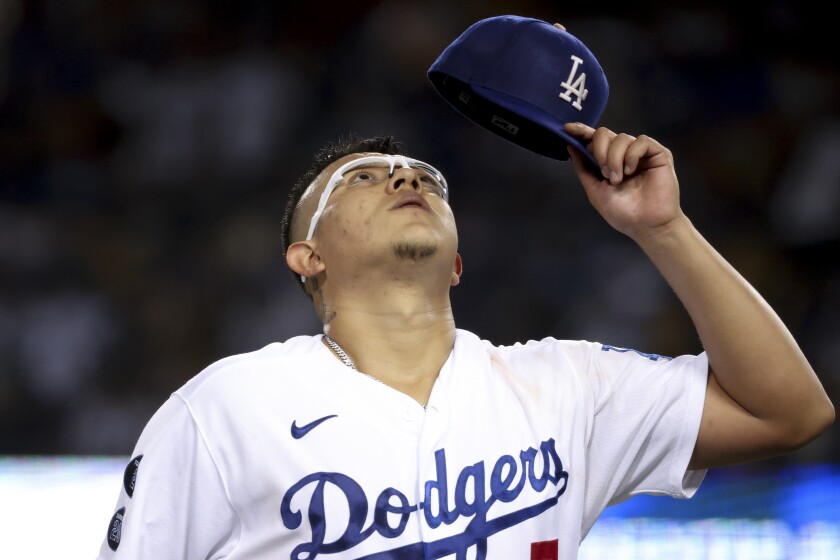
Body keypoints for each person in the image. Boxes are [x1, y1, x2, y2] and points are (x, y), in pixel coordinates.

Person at [96, 33, 834, 560]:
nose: (406, 179)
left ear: (456, 264)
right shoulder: (225, 406)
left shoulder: (566, 386)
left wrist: (664, 229)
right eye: (363, 177)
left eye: (427, 179)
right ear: (307, 256)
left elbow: (791, 412)